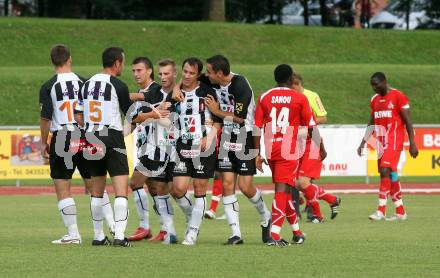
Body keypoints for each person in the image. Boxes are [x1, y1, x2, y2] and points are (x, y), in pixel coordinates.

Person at [39, 44, 114, 244]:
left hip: (63, 136)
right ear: (69, 59)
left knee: (63, 187)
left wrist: (43, 142)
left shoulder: (49, 86)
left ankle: (73, 234)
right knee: (95, 185)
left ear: (52, 61)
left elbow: (46, 118)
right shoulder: (85, 82)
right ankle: (114, 226)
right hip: (85, 134)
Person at [203, 55, 272, 245]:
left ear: (219, 73)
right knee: (226, 184)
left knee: (246, 186)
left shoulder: (240, 84)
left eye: (209, 72)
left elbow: (240, 118)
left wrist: (216, 112)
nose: (206, 75)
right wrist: (177, 87)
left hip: (245, 136)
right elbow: (189, 80)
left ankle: (266, 216)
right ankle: (236, 233)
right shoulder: (212, 79)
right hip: (226, 136)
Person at [254, 64, 315, 246]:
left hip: (271, 148)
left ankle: (297, 232)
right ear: (290, 79)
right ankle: (274, 235)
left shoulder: (265, 97)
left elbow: (256, 127)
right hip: (289, 150)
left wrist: (257, 154)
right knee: (282, 192)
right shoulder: (299, 98)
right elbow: (310, 127)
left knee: (286, 191)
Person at [79, 47, 132, 247]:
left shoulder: (86, 84)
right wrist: (154, 113)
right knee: (120, 190)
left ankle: (98, 235)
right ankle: (119, 235)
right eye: (123, 63)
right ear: (117, 62)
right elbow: (131, 113)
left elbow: (78, 113)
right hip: (112, 136)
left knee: (97, 191)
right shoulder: (118, 85)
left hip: (91, 136)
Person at [166, 57, 221, 245]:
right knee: (178, 189)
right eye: (185, 72)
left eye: (191, 73)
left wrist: (210, 137)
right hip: (183, 146)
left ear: (199, 75)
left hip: (204, 146)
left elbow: (218, 118)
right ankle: (193, 218)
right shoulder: (176, 92)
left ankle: (193, 231)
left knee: (199, 189)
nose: (187, 76)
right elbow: (165, 112)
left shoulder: (207, 91)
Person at [128, 58, 178, 244]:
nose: (136, 74)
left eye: (140, 70)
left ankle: (145, 226)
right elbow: (135, 120)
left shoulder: (157, 91)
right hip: (145, 146)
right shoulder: (145, 93)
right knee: (157, 190)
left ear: (149, 71)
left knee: (135, 183)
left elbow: (160, 114)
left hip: (158, 147)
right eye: (133, 70)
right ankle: (166, 229)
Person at [357, 72, 418, 221]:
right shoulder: (375, 100)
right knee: (391, 175)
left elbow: (408, 121)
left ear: (384, 82)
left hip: (395, 140)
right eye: (372, 85)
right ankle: (400, 211)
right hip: (381, 143)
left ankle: (381, 211)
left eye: (376, 84)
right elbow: (371, 122)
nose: (374, 88)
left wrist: (412, 142)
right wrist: (363, 142)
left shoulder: (398, 96)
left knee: (385, 170)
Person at [292, 73, 341, 223]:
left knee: (303, 182)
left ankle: (317, 215)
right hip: (297, 145)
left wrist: (306, 126)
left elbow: (322, 118)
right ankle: (332, 199)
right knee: (295, 183)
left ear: (297, 84)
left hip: (311, 143)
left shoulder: (311, 97)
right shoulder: (290, 99)